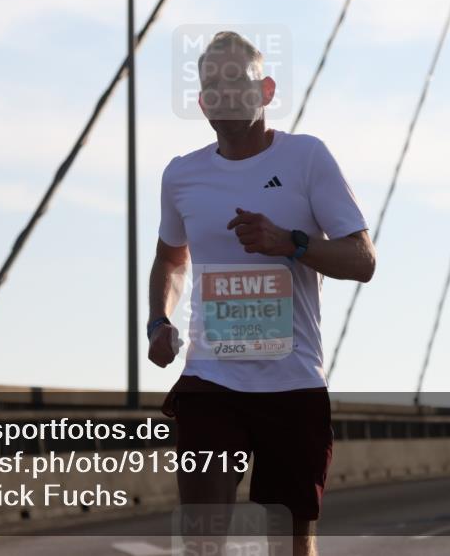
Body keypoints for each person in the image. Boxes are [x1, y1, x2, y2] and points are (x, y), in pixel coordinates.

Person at [147, 31, 376, 556]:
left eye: (237, 80)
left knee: (288, 544)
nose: (223, 92)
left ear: (267, 90)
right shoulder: (182, 175)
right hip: (211, 378)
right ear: (202, 102)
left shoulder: (307, 159)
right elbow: (171, 257)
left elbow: (363, 261)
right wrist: (159, 320)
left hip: (290, 382)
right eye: (211, 84)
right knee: (202, 539)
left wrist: (289, 243)